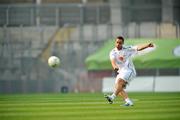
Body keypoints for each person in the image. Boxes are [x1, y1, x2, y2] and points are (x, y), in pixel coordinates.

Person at [105, 36, 154, 106]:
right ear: (115, 42)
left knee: (119, 83)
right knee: (118, 88)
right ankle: (128, 102)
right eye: (117, 42)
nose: (118, 44)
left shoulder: (127, 49)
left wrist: (147, 45)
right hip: (121, 72)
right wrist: (115, 67)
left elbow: (138, 48)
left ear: (123, 43)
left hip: (129, 70)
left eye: (120, 43)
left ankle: (112, 97)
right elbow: (112, 62)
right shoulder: (112, 52)